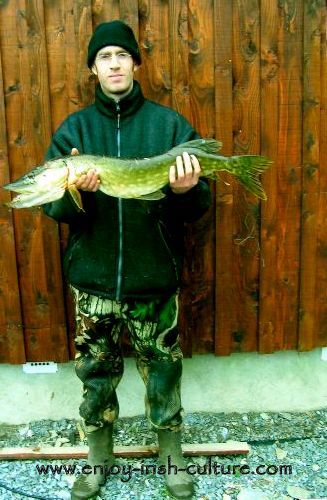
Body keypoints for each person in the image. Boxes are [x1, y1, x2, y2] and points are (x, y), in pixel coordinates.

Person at [43, 20, 211, 500]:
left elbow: (199, 208)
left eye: (121, 55)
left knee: (164, 368)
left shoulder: (169, 125)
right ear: (93, 69)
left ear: (135, 63)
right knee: (94, 373)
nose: (113, 64)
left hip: (153, 277)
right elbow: (57, 210)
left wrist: (183, 190)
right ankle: (98, 457)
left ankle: (171, 455)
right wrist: (80, 193)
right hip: (93, 281)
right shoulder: (74, 130)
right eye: (103, 57)